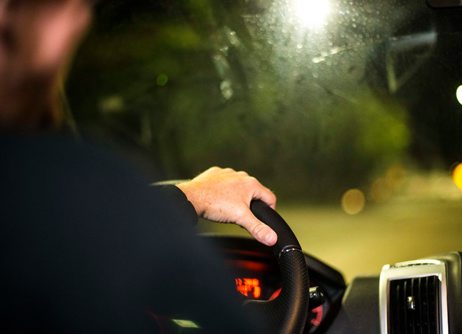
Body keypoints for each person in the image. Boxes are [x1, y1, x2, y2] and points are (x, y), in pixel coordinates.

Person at [0, 0, 277, 332]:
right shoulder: (79, 179)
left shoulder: (44, 199)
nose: (83, 20)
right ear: (60, 28)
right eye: (76, 7)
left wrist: (191, 196)